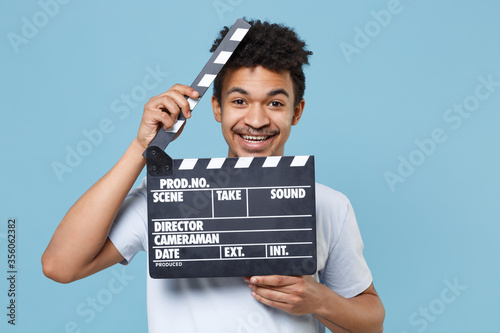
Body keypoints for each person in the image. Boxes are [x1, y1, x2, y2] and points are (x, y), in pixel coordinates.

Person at [42, 20, 385, 332]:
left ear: (297, 111)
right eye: (239, 101)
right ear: (217, 108)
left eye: (275, 104)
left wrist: (319, 300)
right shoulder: (168, 196)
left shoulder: (328, 205)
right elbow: (61, 265)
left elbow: (371, 322)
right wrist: (140, 147)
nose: (256, 120)